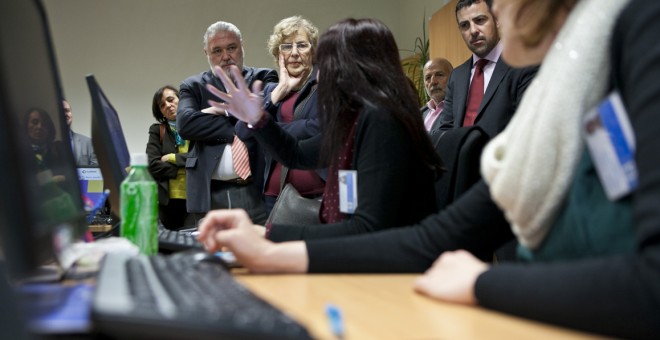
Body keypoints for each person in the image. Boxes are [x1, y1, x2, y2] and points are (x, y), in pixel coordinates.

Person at [197, 0, 660, 338]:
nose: (492, 14)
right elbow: (433, 240)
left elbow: (648, 284)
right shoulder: (554, 103)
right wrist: (265, 242)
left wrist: (485, 282)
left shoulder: (640, 31)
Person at [205, 18, 443, 241]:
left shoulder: (383, 122)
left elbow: (364, 230)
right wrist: (257, 119)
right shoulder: (355, 121)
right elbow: (296, 153)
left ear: (358, 68)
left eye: (326, 64)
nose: (319, 76)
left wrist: (268, 235)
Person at [176, 21, 278, 225]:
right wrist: (243, 118)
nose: (225, 56)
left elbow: (268, 119)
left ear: (242, 47)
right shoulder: (193, 86)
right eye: (217, 51)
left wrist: (213, 111)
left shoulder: (264, 77)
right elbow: (186, 125)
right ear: (207, 53)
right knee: (210, 255)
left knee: (258, 253)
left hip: (256, 190)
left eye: (231, 48)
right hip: (210, 193)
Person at [236, 16, 325, 215]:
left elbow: (318, 128)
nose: (294, 53)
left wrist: (267, 128)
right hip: (274, 196)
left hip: (317, 194)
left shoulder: (325, 87)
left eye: (302, 45)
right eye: (287, 46)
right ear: (278, 54)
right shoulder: (270, 90)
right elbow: (242, 131)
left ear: (313, 51)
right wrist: (278, 93)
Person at [432, 0, 537, 139]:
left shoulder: (522, 64)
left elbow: (528, 129)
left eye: (480, 20)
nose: (473, 30)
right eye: (465, 25)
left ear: (497, 20)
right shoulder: (456, 76)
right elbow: (444, 130)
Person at [146, 85, 194, 230]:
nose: (168, 105)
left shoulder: (196, 126)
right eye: (162, 105)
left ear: (181, 99)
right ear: (160, 111)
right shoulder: (157, 130)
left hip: (196, 197)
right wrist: (184, 167)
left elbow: (202, 159)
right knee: (169, 245)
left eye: (171, 99)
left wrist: (173, 157)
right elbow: (152, 164)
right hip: (168, 201)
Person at [421, 58, 453, 132]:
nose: (433, 82)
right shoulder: (419, 114)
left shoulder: (461, 110)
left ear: (453, 77)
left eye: (439, 75)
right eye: (428, 78)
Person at [63, 99, 97, 166]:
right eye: (61, 111)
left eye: (67, 110)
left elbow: (96, 172)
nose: (64, 114)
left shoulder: (88, 143)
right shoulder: (46, 145)